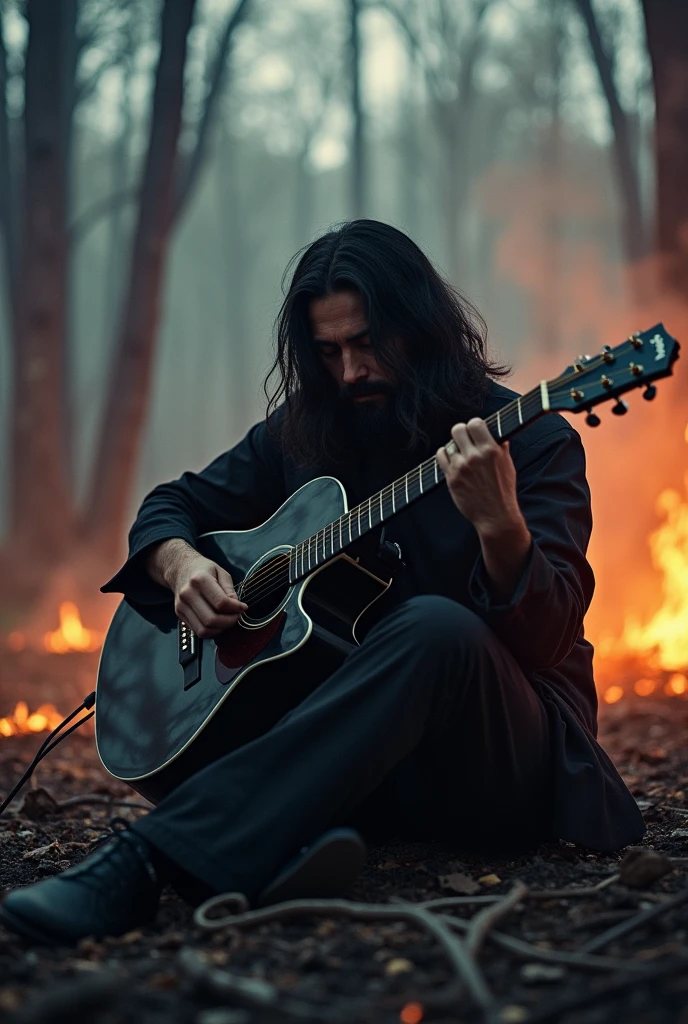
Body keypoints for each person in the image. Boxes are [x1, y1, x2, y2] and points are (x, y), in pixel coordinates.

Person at [0, 220, 644, 945]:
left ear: (422, 327)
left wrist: (502, 528)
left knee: (433, 628)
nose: (350, 372)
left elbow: (548, 637)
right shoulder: (310, 432)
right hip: (379, 780)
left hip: (502, 763)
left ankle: (148, 863)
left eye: (368, 343)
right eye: (328, 351)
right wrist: (181, 564)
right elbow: (169, 506)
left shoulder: (534, 439)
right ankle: (292, 843)